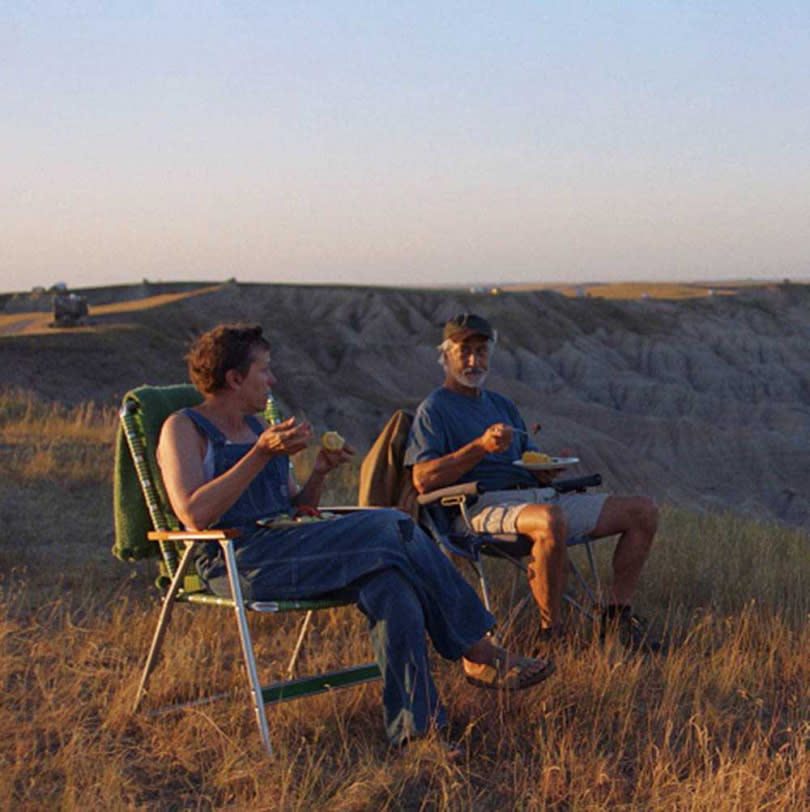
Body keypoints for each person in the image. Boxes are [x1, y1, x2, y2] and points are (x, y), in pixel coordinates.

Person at [156, 323, 554, 755]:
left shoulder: (257, 428)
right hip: (239, 560)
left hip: (290, 547)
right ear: (235, 378)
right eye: (264, 370)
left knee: (392, 585)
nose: (271, 380)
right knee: (391, 523)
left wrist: (321, 471)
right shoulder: (184, 429)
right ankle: (477, 649)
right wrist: (260, 455)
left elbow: (297, 508)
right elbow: (194, 514)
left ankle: (417, 733)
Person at [404, 313, 661, 652]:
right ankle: (551, 635)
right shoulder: (434, 409)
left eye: (481, 351)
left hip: (536, 496)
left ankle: (616, 619)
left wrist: (547, 468)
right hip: (477, 507)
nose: (473, 360)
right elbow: (423, 480)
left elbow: (529, 458)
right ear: (446, 356)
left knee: (643, 511)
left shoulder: (502, 405)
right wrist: (480, 448)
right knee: (550, 518)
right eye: (464, 351)